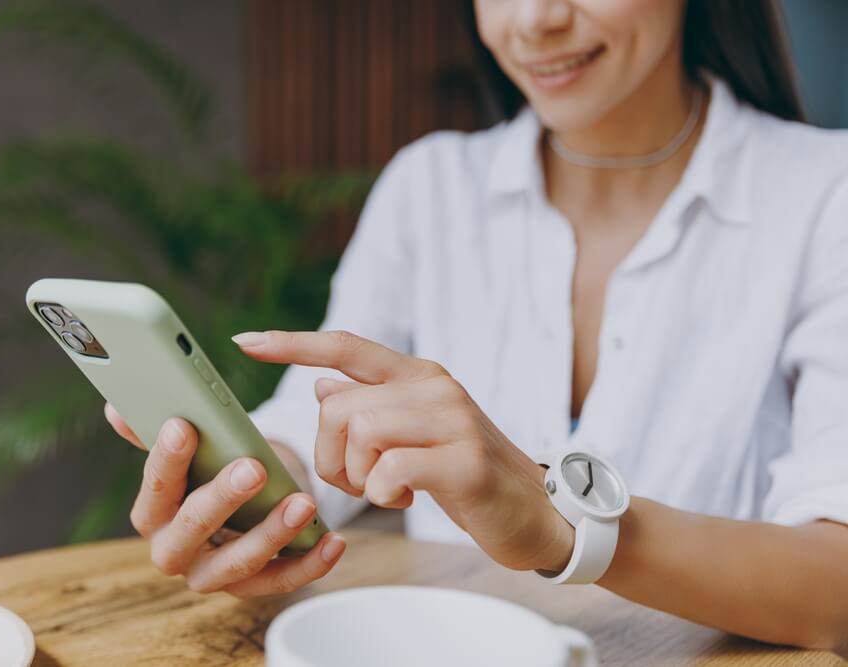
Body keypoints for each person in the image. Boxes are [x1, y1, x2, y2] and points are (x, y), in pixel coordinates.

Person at [106, 0, 848, 651]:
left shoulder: (825, 195)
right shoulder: (428, 188)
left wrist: (561, 524)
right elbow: (314, 418)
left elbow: (837, 587)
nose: (533, 20)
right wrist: (247, 494)